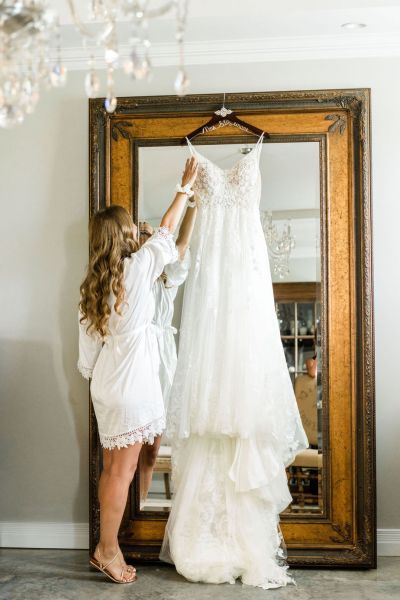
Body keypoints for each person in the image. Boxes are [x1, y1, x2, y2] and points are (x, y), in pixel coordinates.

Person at [77, 157, 198, 584]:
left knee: (114, 469)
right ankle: (106, 550)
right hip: (132, 383)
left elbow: (87, 360)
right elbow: (167, 231)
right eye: (131, 225)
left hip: (108, 384)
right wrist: (184, 188)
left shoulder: (94, 287)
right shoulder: (139, 267)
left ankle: (106, 546)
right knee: (122, 472)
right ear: (124, 234)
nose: (137, 229)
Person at [138, 203, 198, 503]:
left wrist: (192, 205)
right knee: (130, 444)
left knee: (151, 450)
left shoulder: (168, 275)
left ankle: (142, 504)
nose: (145, 236)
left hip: (162, 360)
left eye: (148, 231)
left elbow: (182, 243)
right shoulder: (132, 274)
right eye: (140, 233)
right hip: (137, 356)